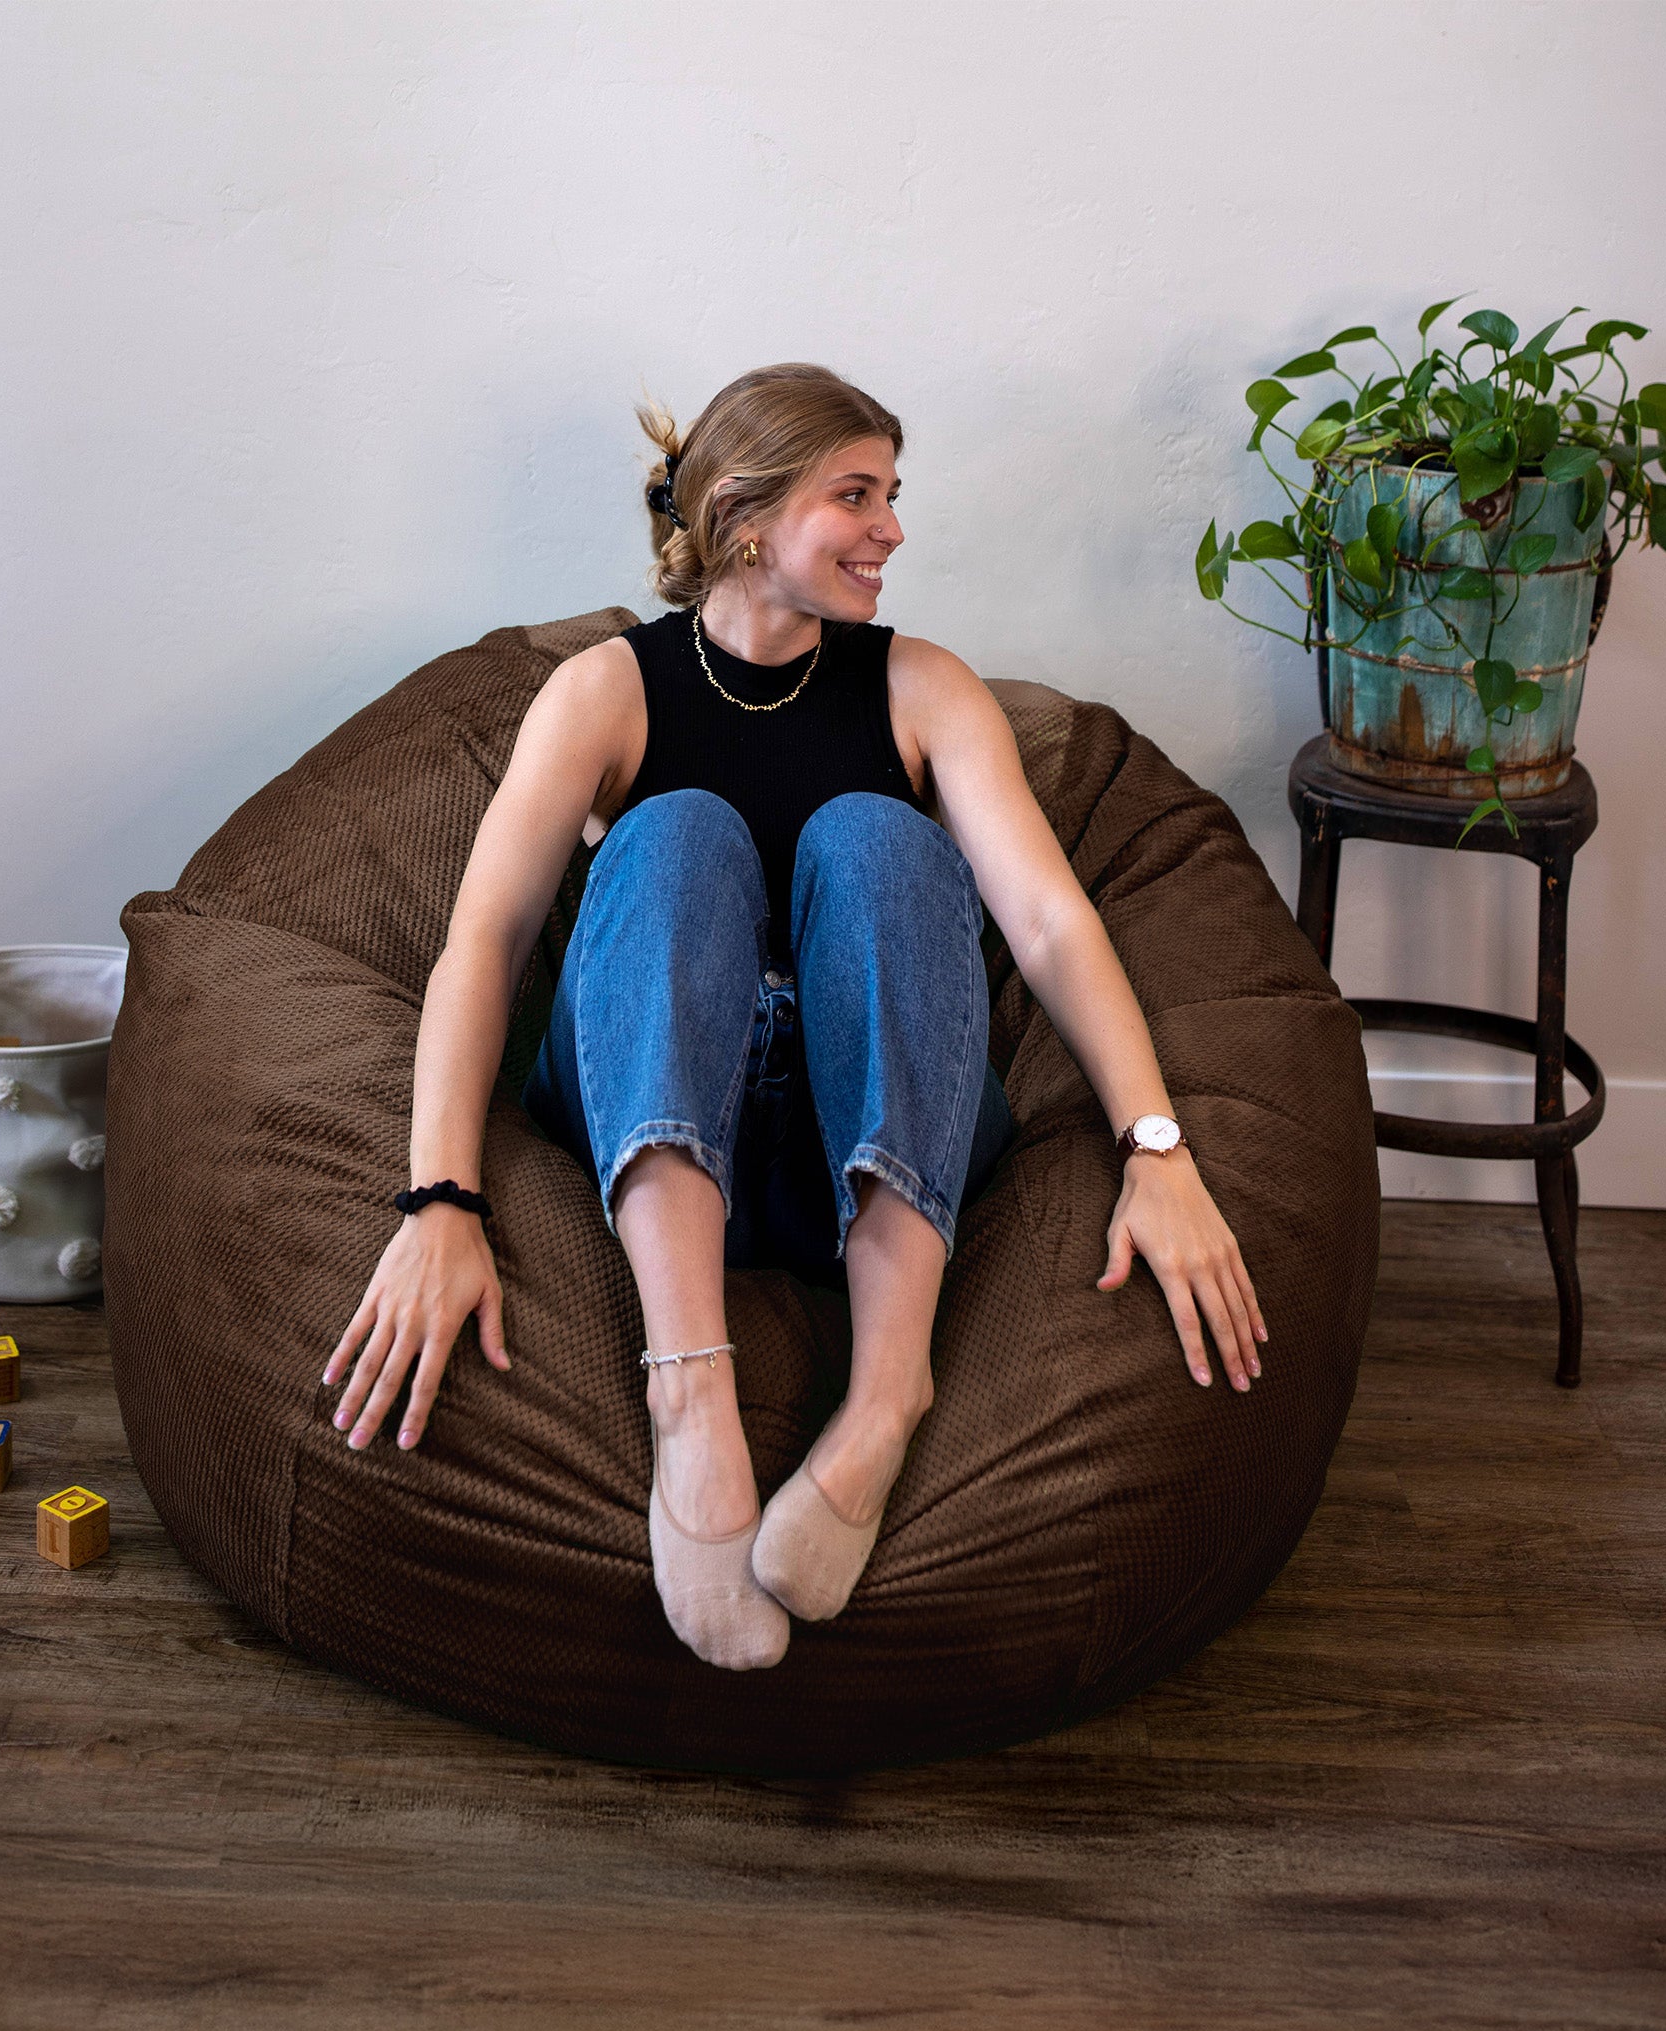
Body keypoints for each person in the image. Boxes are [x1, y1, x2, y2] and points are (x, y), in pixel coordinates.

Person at [323, 363, 1266, 1673]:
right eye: (857, 496)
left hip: (863, 1145)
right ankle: (689, 1387)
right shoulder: (607, 689)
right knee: (677, 835)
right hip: (656, 1134)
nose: (892, 530)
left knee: (877, 839)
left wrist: (1157, 1149)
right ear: (745, 514)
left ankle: (887, 1395)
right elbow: (482, 941)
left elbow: (1050, 926)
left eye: (891, 495)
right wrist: (438, 1202)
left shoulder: (924, 688)